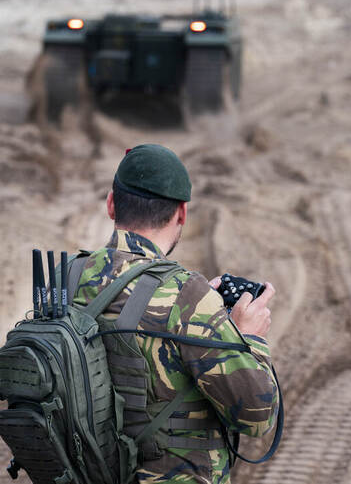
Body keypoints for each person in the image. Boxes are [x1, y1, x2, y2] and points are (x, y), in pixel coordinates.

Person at [71, 144, 280, 484]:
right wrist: (250, 337)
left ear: (111, 204)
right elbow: (256, 416)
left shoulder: (67, 277)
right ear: (181, 213)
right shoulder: (188, 297)